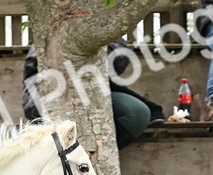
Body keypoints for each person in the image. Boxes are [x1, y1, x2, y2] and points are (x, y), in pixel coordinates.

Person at [21, 40, 165, 147]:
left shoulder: (98, 26)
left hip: (95, 93)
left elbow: (119, 63)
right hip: (57, 100)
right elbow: (33, 84)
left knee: (137, 112)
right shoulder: (48, 36)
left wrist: (104, 46)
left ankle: (94, 153)